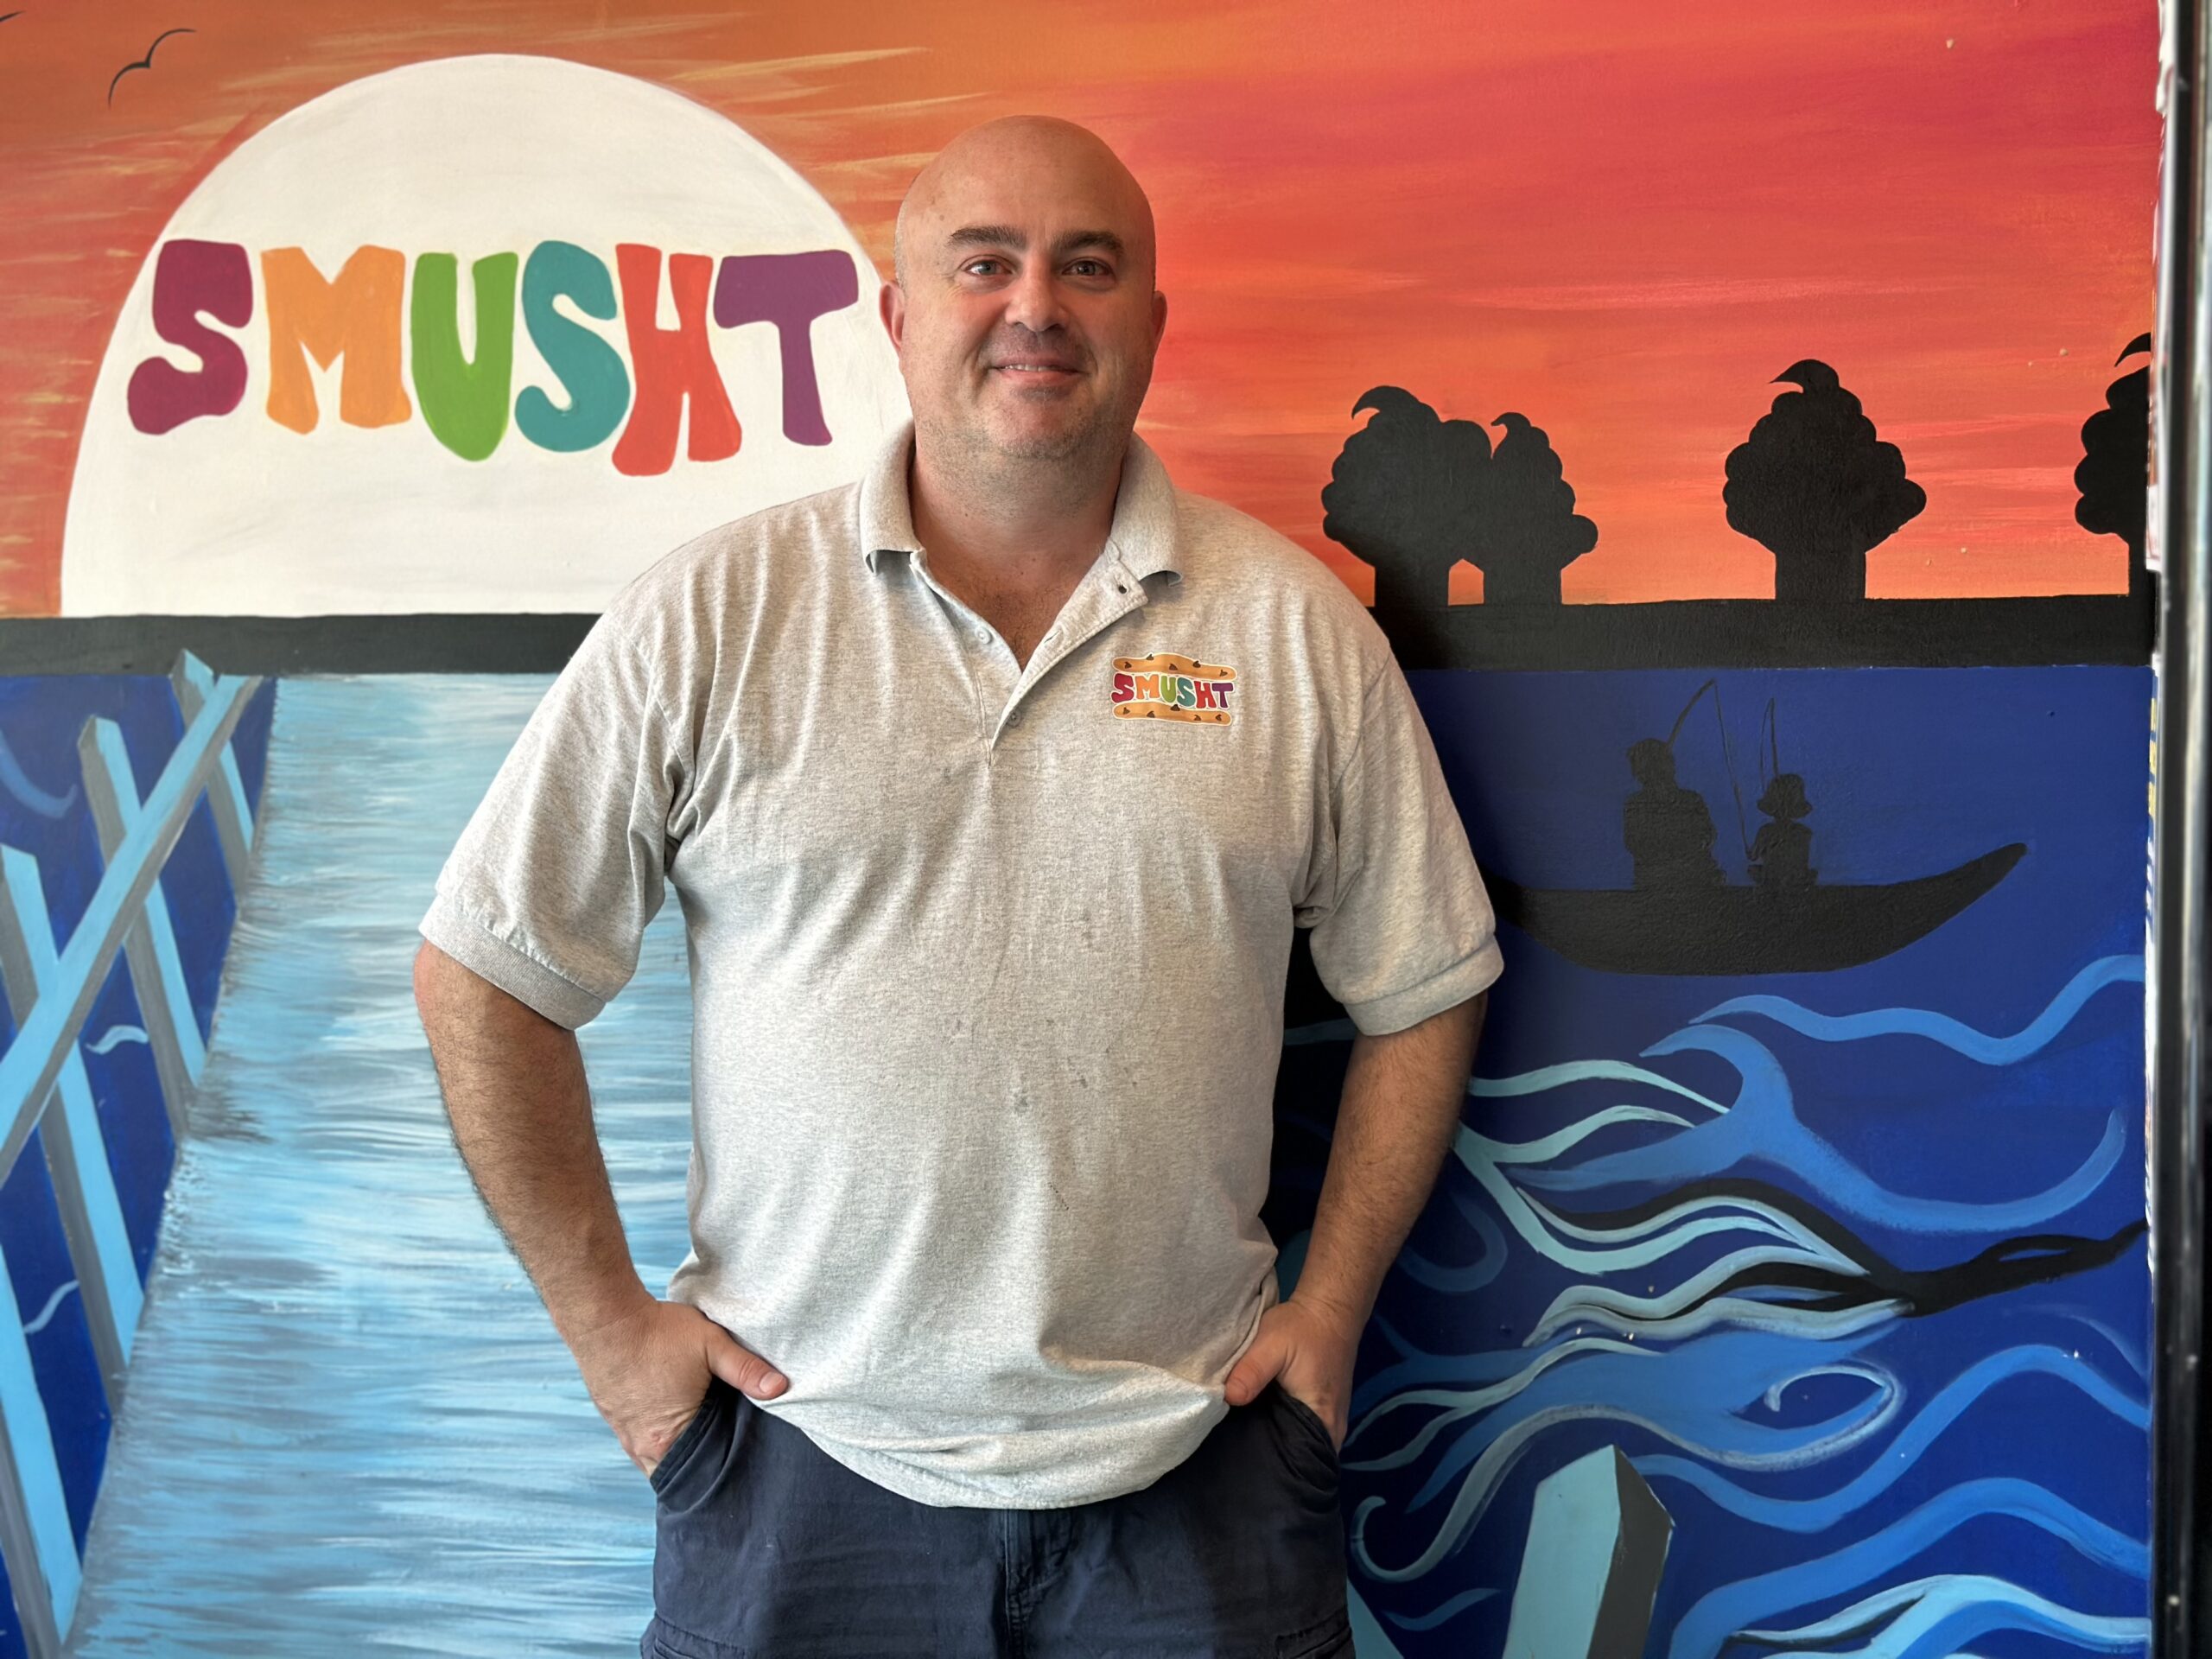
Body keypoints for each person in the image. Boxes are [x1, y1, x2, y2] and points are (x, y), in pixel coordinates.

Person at [411, 114, 1499, 1657]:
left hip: (1197, 1467)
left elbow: (1427, 980)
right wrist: (613, 1343)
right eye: (983, 264)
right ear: (899, 314)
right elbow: (484, 971)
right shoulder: (715, 615)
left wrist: (1330, 1318)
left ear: (1152, 322)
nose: (1035, 306)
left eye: (1087, 267)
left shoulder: (1295, 632)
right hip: (800, 1470)